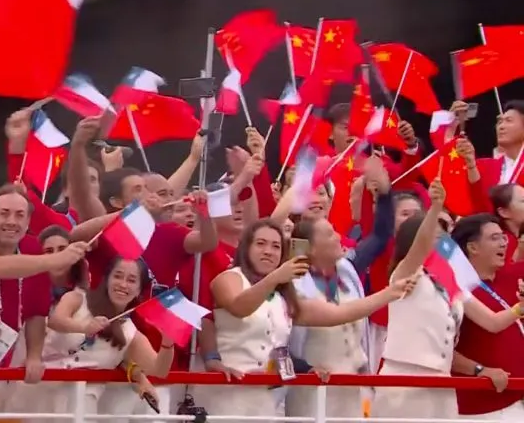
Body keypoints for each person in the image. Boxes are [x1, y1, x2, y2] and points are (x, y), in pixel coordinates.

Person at [202, 218, 415, 423]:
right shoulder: (229, 278)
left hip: (268, 402)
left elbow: (338, 314)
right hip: (228, 396)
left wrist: (390, 293)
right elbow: (240, 307)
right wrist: (275, 277)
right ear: (245, 247)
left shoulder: (283, 296)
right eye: (260, 244)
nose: (268, 251)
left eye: (276, 246)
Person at [374, 180, 524, 420]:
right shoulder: (404, 276)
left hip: (441, 383)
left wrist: (519, 309)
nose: (444, 245)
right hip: (404, 382)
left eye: (444, 238)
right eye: (437, 237)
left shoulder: (451, 282)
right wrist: (435, 207)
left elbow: (493, 322)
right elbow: (420, 248)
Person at [0, 186, 86, 413]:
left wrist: (34, 356)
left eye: (19, 215)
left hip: (5, 362)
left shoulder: (33, 248)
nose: (11, 221)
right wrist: (54, 260)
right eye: (4, 213)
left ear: (27, 222)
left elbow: (36, 310)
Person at [286, 155, 395, 420]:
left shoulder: (348, 268)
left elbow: (380, 236)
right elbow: (277, 338)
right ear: (311, 247)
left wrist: (385, 193)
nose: (339, 237)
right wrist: (304, 368)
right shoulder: (291, 282)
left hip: (354, 390)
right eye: (330, 233)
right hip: (312, 392)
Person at [27, 257, 175, 419]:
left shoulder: (130, 333)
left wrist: (167, 342)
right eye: (117, 276)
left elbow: (159, 370)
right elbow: (56, 321)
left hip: (82, 407)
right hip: (38, 395)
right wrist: (84, 327)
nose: (123, 284)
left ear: (139, 290)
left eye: (131, 280)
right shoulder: (77, 299)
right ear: (107, 279)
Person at [451, 213, 524, 420]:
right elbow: (440, 348)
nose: (503, 243)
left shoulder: (513, 276)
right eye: (494, 238)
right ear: (473, 247)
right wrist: (479, 370)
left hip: (517, 400)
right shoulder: (454, 289)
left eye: (503, 237)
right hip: (479, 408)